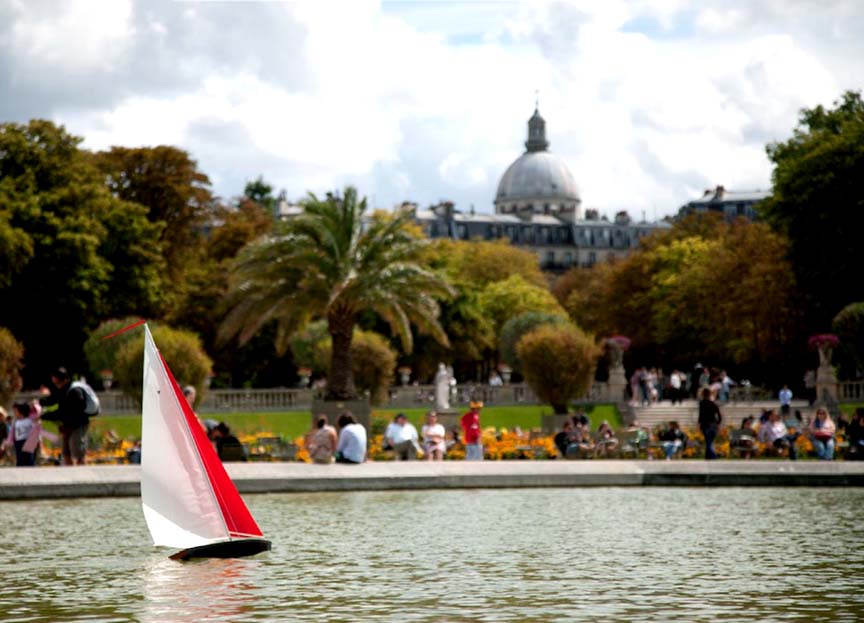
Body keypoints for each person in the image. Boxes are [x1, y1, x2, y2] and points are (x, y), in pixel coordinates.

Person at [38, 367, 91, 465]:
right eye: (55, 383)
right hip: (67, 424)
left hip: (78, 424)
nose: (56, 386)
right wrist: (39, 402)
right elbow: (52, 399)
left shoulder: (74, 392)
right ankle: (70, 474)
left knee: (77, 451)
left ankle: (84, 474)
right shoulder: (62, 389)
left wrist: (44, 416)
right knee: (66, 451)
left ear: (65, 380)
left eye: (58, 383)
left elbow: (62, 412)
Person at [5, 402, 41, 466]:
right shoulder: (16, 422)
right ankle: (20, 471)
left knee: (29, 458)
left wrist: (35, 404)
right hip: (18, 442)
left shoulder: (30, 420)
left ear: (21, 412)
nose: (14, 413)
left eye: (16, 411)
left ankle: (30, 470)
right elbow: (12, 433)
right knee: (20, 458)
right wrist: (8, 442)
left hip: (28, 442)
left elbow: (36, 411)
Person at [698, 387, 722, 459]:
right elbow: (719, 415)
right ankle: (708, 456)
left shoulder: (702, 403)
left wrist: (699, 424)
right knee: (709, 441)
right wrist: (718, 423)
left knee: (708, 441)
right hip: (713, 424)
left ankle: (713, 456)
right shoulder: (713, 404)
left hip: (705, 425)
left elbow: (701, 415)